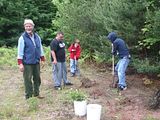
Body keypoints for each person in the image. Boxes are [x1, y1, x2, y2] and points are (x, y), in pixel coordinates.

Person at [17, 19, 45, 99]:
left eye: (30, 26)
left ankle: (36, 94)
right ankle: (28, 96)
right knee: (27, 80)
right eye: (26, 26)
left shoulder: (37, 37)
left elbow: (40, 48)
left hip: (36, 61)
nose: (28, 28)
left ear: (33, 27)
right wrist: (20, 63)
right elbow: (20, 52)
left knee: (37, 78)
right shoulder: (22, 38)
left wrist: (42, 59)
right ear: (24, 27)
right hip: (27, 63)